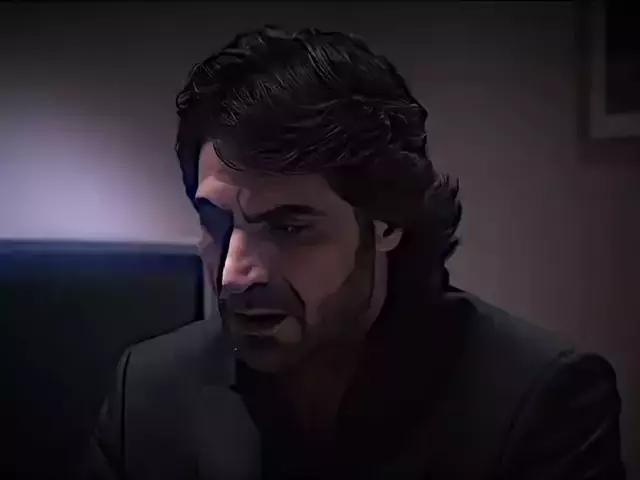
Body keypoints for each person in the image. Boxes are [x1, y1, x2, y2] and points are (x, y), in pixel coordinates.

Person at [80, 26, 625, 479]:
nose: (234, 274)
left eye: (289, 227)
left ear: (386, 222)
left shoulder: (539, 401)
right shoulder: (147, 393)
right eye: (216, 224)